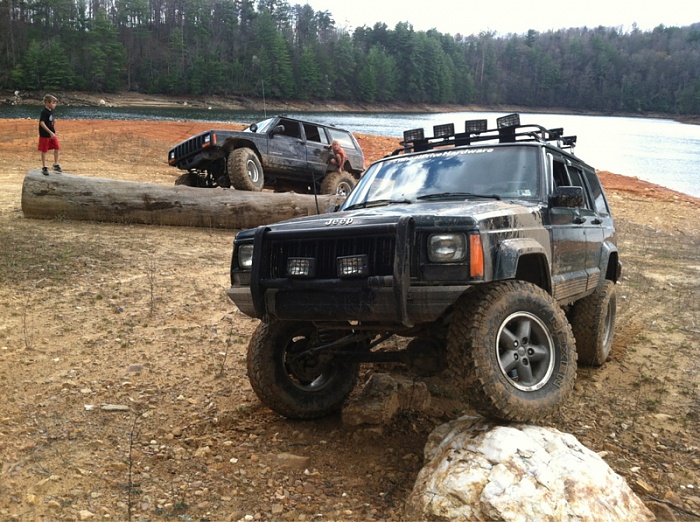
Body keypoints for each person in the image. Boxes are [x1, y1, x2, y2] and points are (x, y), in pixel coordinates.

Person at [38, 94, 61, 175]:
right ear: (47, 103)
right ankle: (44, 166)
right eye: (53, 103)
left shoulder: (51, 111)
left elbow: (50, 122)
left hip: (52, 134)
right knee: (44, 150)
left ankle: (55, 164)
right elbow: (42, 123)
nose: (55, 104)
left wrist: (54, 129)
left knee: (57, 147)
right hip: (45, 134)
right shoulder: (44, 112)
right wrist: (50, 132)